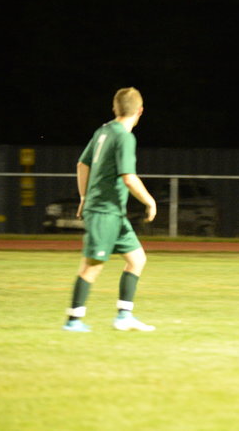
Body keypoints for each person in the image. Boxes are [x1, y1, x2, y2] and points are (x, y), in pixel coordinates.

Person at [63, 87, 157, 332]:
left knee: (137, 259)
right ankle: (73, 320)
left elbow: (82, 164)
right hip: (105, 212)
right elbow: (128, 177)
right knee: (93, 265)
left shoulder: (103, 131)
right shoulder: (124, 137)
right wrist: (150, 201)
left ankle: (124, 317)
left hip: (113, 212)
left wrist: (84, 197)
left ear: (115, 108)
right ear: (140, 111)